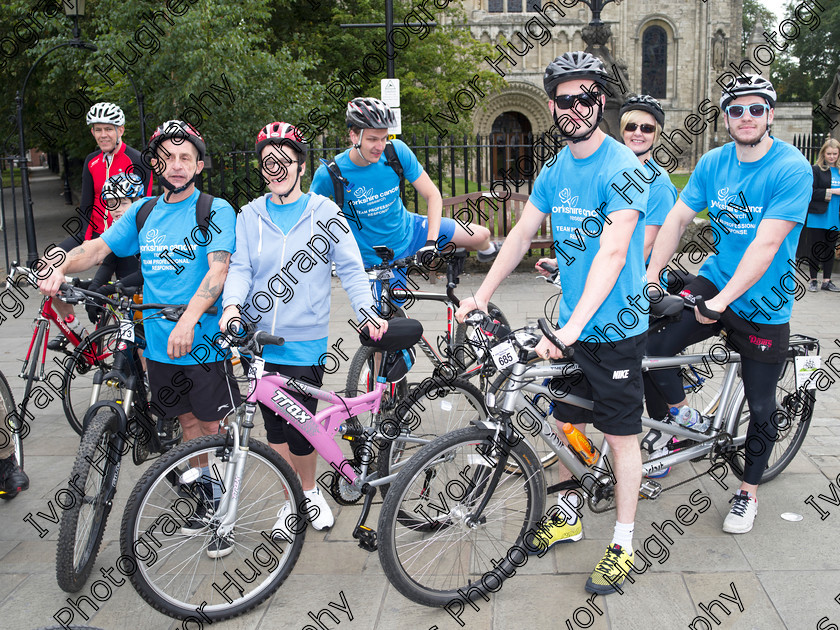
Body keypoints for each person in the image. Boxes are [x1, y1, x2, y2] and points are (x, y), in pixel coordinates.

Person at [456, 51, 649, 596]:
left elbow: (613, 255)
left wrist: (574, 328)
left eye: (586, 98)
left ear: (600, 103)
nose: (575, 108)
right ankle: (567, 514)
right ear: (552, 106)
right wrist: (481, 294)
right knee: (566, 423)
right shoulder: (554, 170)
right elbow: (519, 236)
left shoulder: (626, 168)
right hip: (569, 327)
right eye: (565, 100)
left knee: (619, 435)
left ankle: (625, 543)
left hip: (613, 328)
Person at [39, 120, 240, 557]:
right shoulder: (144, 211)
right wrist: (58, 267)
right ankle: (207, 496)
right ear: (156, 164)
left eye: (185, 157)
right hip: (160, 340)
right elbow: (95, 249)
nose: (176, 165)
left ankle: (227, 503)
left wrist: (189, 320)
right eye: (167, 157)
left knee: (212, 425)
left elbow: (218, 269)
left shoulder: (215, 209)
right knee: (186, 423)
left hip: (203, 339)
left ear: (199, 164)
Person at [645, 74, 812, 535]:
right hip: (715, 281)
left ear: (770, 115)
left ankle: (748, 493)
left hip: (762, 302)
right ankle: (682, 418)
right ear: (725, 117)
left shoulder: (791, 168)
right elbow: (678, 217)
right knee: (648, 349)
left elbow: (767, 243)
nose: (746, 117)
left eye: (756, 109)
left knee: (761, 408)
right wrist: (650, 276)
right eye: (736, 109)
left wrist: (720, 302)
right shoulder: (714, 162)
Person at [219, 122, 388, 533]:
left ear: (299, 164)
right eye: (267, 163)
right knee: (273, 426)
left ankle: (309, 493)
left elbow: (350, 267)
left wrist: (367, 311)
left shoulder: (324, 213)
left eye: (283, 162)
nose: (275, 169)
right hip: (259, 342)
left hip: (304, 341)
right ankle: (290, 497)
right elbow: (240, 268)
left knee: (302, 427)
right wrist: (230, 307)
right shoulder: (250, 215)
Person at [309, 97, 500, 301]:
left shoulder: (395, 152)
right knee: (389, 321)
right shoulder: (330, 173)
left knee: (481, 234)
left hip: (412, 230)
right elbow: (312, 219)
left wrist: (431, 242)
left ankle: (487, 252)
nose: (380, 146)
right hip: (377, 260)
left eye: (384, 138)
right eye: (373, 139)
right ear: (353, 136)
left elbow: (432, 195)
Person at [49, 102, 153, 350]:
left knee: (126, 299)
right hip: (94, 235)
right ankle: (74, 330)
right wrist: (87, 243)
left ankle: (134, 355)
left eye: (109, 128)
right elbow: (85, 209)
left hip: (125, 240)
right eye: (98, 129)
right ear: (92, 132)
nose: (103, 134)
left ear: (121, 130)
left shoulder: (137, 159)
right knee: (46, 266)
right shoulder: (91, 162)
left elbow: (144, 208)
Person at [802, 138, 840, 292]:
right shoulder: (816, 169)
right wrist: (831, 192)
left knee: (830, 249)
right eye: (829, 153)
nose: (832, 157)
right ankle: (813, 280)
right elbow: (810, 192)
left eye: (835, 154)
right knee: (815, 249)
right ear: (823, 153)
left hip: (835, 215)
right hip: (818, 215)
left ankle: (827, 281)